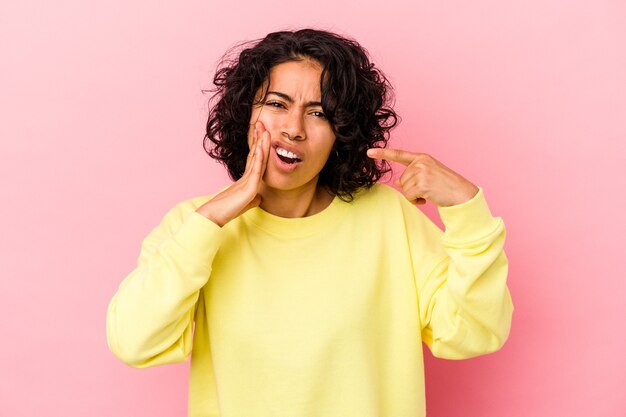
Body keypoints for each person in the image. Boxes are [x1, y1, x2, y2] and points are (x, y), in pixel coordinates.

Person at [106, 28, 514, 417]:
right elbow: (135, 341)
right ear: (246, 113)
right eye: (277, 104)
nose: (294, 129)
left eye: (317, 112)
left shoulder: (388, 218)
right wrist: (211, 219)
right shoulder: (194, 225)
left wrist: (467, 211)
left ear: (341, 132)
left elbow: (473, 333)